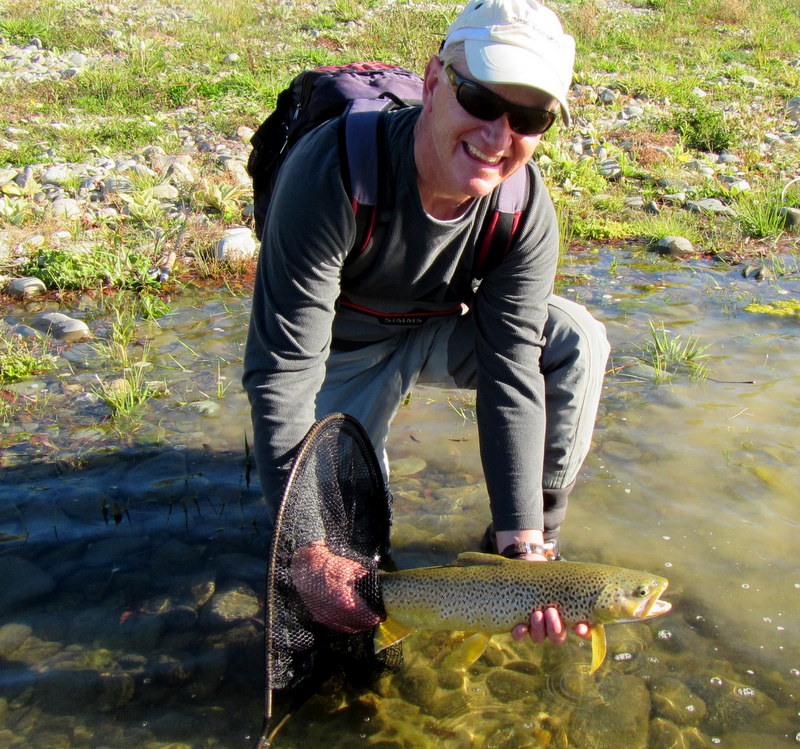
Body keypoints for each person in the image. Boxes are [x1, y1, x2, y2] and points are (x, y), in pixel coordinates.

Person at [243, 0, 610, 646]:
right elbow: (283, 369)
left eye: (527, 116)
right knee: (347, 565)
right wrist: (304, 545)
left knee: (576, 340)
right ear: (436, 80)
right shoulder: (333, 173)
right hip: (341, 351)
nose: (499, 135)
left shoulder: (526, 211)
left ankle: (524, 548)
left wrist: (522, 543)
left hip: (440, 329)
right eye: (480, 98)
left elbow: (511, 371)